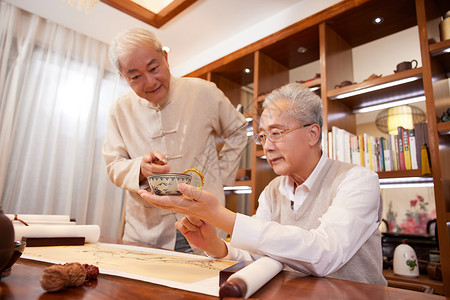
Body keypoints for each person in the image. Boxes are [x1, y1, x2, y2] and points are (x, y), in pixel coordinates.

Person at [138, 82, 387, 285]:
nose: (266, 146)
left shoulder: (358, 181)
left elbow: (325, 254)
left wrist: (221, 216)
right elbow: (256, 254)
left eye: (276, 133)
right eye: (263, 135)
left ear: (313, 134)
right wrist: (214, 245)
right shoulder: (273, 191)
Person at [103, 28, 248, 253]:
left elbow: (238, 129)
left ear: (166, 58)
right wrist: (140, 167)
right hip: (144, 229)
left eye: (154, 68)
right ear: (124, 77)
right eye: (136, 77)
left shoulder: (203, 92)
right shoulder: (119, 110)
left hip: (202, 222)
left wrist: (219, 176)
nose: (150, 82)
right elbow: (113, 164)